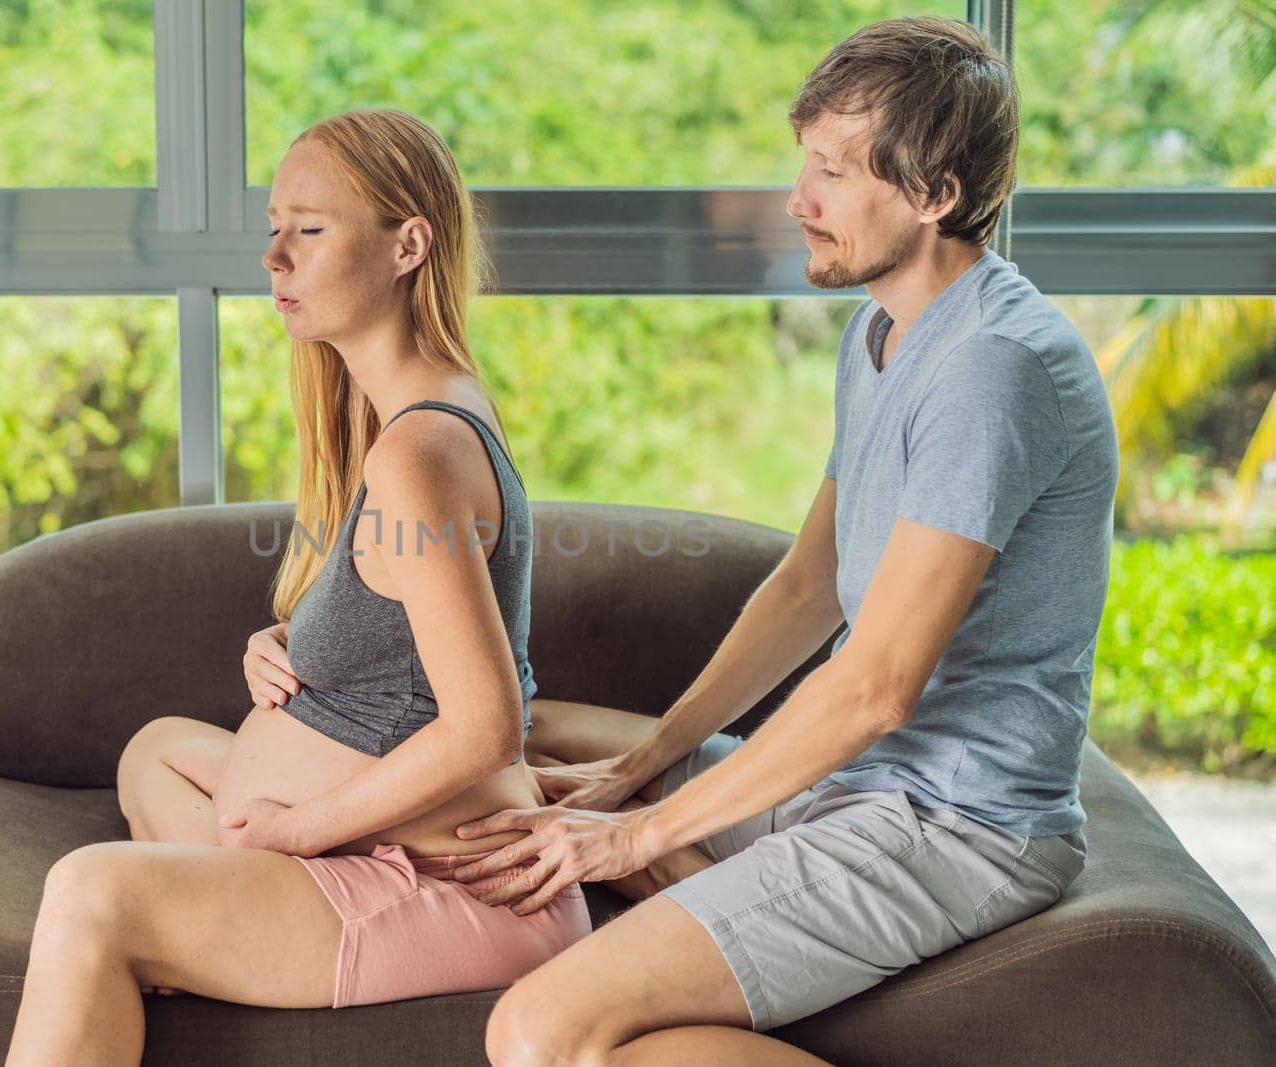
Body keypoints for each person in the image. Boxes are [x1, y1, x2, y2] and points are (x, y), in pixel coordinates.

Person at [456, 16, 1121, 1065]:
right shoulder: (883, 330)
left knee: (538, 1027)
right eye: (800, 160)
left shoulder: (993, 369)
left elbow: (873, 688)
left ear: (934, 194)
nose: (795, 200)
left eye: (830, 170)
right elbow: (809, 584)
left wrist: (633, 834)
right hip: (864, 787)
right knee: (533, 742)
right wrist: (645, 761)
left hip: (954, 824)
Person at [3, 109, 592, 1065]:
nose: (274, 257)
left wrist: (292, 831)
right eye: (273, 227)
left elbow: (488, 724)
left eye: (309, 230)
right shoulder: (411, 415)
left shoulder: (421, 450)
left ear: (408, 244)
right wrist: (292, 647)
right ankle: (210, 917)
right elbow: (401, 628)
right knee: (156, 749)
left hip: (446, 891)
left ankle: (188, 915)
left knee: (93, 891)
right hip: (379, 843)